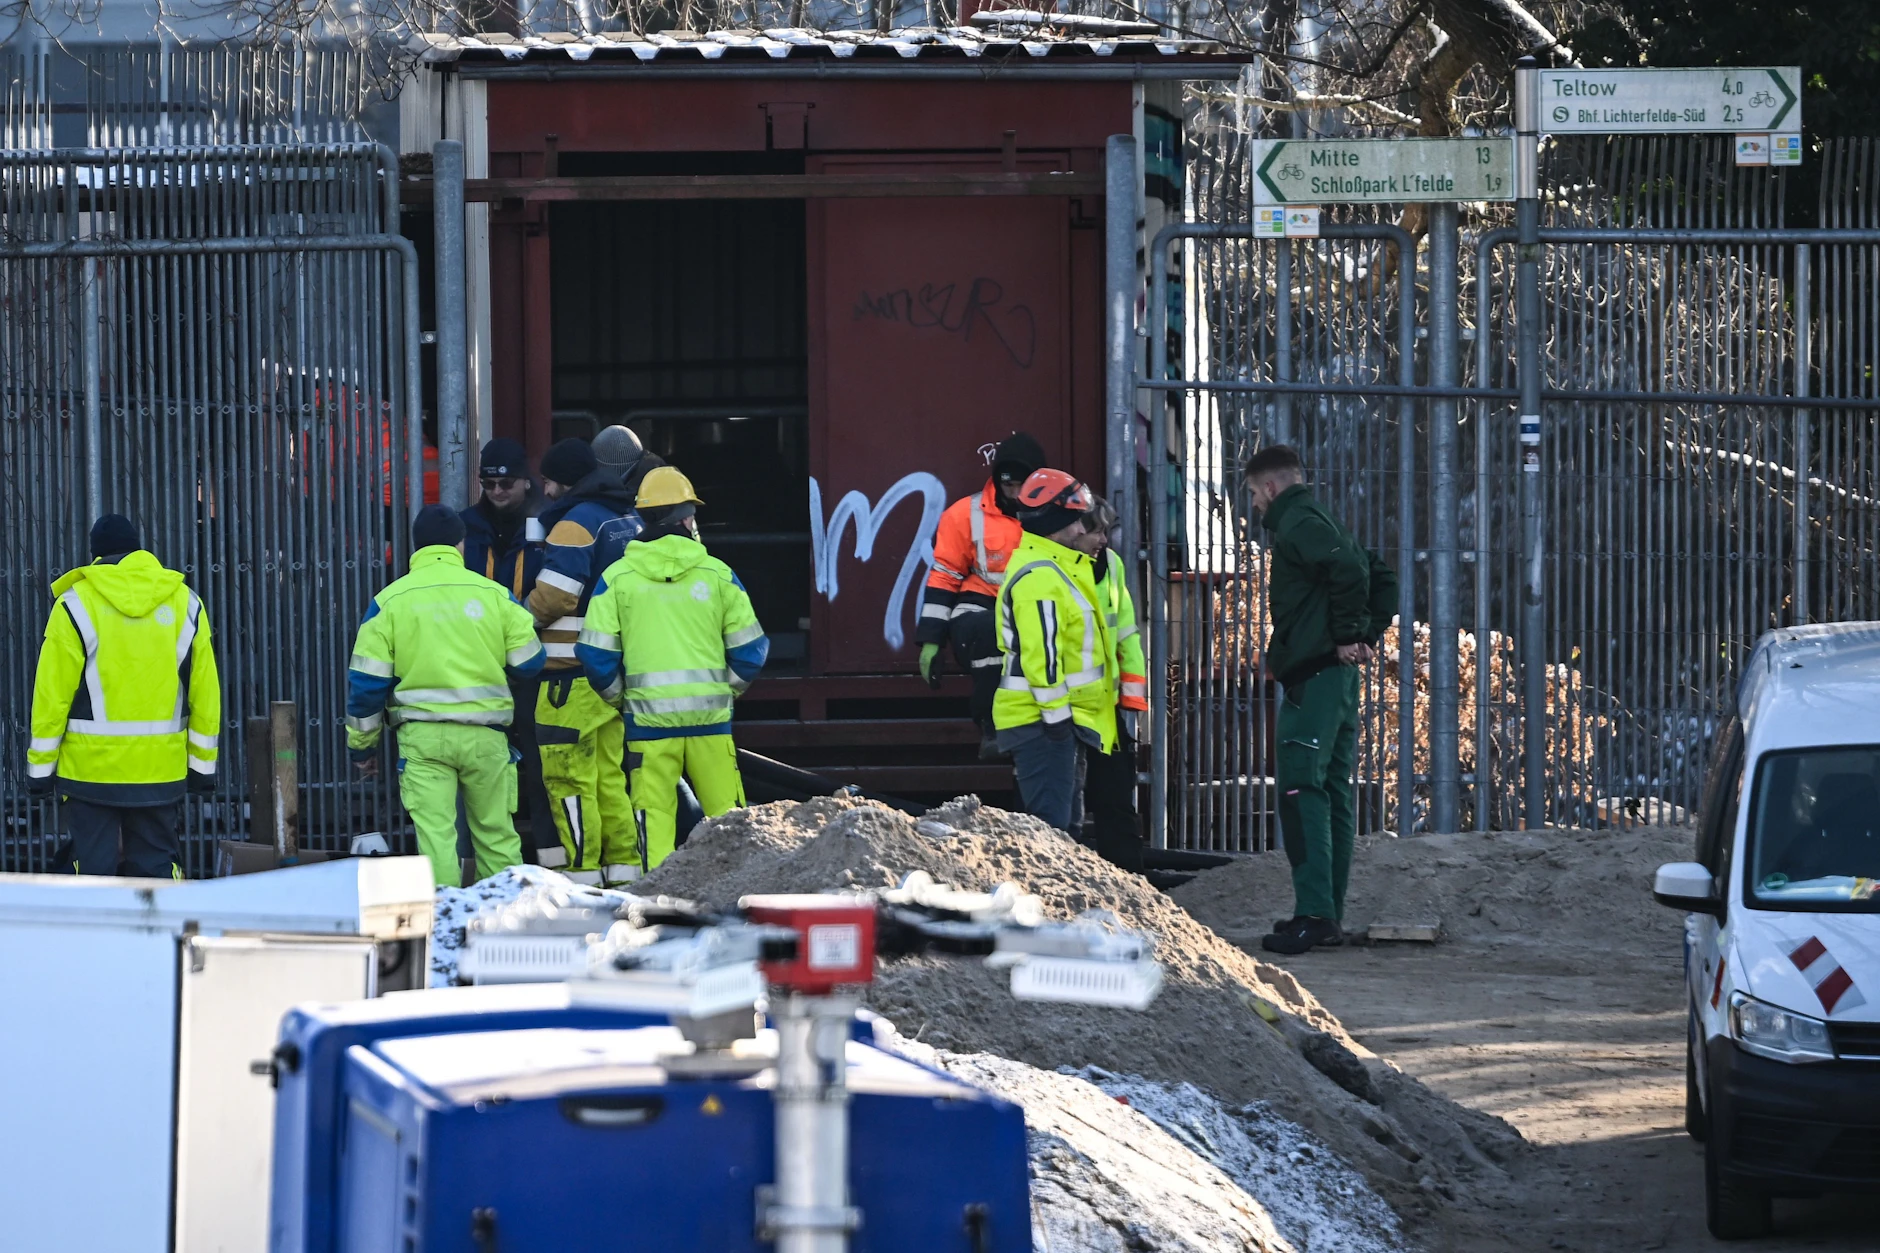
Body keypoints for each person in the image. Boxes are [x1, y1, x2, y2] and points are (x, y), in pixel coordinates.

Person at [1242, 445, 1398, 955]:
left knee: (1301, 788)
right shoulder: (1321, 519)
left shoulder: (1298, 523)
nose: (1255, 505)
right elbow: (1377, 573)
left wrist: (1353, 633)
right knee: (1330, 790)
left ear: (1270, 487)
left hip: (1315, 678)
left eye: (1254, 494)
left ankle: (1314, 914)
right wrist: (1362, 635)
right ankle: (1325, 913)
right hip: (1335, 678)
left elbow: (1352, 569)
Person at [578, 467, 768, 876]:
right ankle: (735, 891)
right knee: (728, 821)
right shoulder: (718, 574)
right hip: (710, 724)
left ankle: (659, 898)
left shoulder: (617, 579)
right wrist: (726, 691)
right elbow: (751, 652)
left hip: (649, 726)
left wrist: (622, 699)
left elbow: (594, 654)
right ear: (686, 519)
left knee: (654, 817)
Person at [347, 505, 545, 888]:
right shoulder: (495, 595)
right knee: (497, 835)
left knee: (436, 839)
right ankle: (504, 914)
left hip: (423, 739)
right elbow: (530, 662)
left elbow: (367, 685)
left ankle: (441, 918)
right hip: (486, 736)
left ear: (415, 547)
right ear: (460, 544)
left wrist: (362, 748)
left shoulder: (388, 601)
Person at [27, 515, 221, 877]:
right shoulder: (187, 603)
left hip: (90, 772)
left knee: (93, 874)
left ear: (96, 556)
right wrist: (202, 768)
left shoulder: (74, 605)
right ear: (139, 550)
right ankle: (165, 916)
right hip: (160, 770)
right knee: (158, 871)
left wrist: (40, 770)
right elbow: (204, 693)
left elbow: (52, 696)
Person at [528, 437, 644, 886]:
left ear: (565, 481)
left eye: (548, 481)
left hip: (567, 678)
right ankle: (624, 871)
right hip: (611, 674)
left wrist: (515, 622)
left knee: (569, 780)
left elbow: (554, 597)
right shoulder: (627, 519)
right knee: (610, 777)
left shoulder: (576, 523)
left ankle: (583, 875)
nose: (545, 490)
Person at [992, 469, 1118, 833]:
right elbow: (1042, 660)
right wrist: (1058, 723)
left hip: (1054, 722)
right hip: (1045, 724)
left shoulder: (1054, 570)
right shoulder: (1041, 578)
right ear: (1052, 526)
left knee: (1064, 828)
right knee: (1052, 831)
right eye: (1073, 521)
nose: (1081, 529)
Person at [919, 432, 1047, 756]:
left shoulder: (1057, 515)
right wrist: (931, 641)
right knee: (993, 631)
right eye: (1008, 485)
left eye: (1022, 485)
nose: (1015, 493)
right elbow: (945, 576)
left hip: (1034, 610)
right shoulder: (964, 514)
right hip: (978, 609)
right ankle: (992, 727)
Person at [460, 437, 554, 862]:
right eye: (488, 483)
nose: (497, 491)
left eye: (506, 483)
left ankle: (548, 853)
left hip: (533, 659)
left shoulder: (547, 523)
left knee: (539, 759)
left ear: (526, 482)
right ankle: (479, 857)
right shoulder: (465, 526)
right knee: (484, 764)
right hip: (478, 661)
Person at [1077, 496, 1148, 871]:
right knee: (1062, 808)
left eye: (1106, 530)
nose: (1104, 539)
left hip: (1104, 710)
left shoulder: (1113, 565)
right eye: (1096, 531)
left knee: (1117, 800)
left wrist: (1131, 698)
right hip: (1063, 710)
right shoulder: (1053, 570)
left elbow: (1126, 633)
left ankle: (1130, 882)